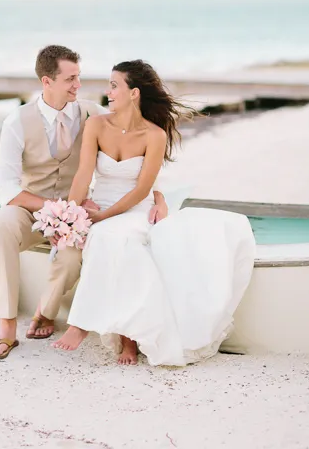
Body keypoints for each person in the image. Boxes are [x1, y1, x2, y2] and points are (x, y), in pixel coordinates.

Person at [51, 60, 256, 366]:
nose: (108, 91)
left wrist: (103, 217)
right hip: (101, 208)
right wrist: (71, 213)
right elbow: (83, 175)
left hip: (135, 210)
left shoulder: (154, 135)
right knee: (116, 242)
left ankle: (85, 325)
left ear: (133, 93)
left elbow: (141, 190)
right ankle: (126, 338)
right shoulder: (96, 125)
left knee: (120, 238)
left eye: (114, 85)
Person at [0, 46, 170, 360]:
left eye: (78, 78)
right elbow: (5, 188)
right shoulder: (17, 120)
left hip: (79, 212)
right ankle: (6, 328)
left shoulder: (91, 113)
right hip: (30, 208)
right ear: (47, 81)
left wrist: (158, 197)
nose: (78, 86)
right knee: (1, 225)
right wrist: (54, 212)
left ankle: (46, 312)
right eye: (70, 79)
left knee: (71, 258)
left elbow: (138, 159)